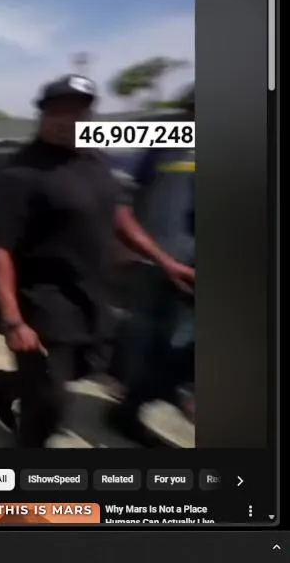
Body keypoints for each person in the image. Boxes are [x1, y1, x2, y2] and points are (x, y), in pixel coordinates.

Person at [0, 75, 194, 448]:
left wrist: (165, 261)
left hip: (91, 295)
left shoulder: (96, 160)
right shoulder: (18, 174)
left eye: (77, 111)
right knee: (50, 404)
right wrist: (13, 320)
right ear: (42, 114)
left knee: (83, 369)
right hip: (42, 301)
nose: (67, 120)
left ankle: (0, 384)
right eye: (58, 111)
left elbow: (119, 215)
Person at [108, 85, 197, 442]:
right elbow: (119, 200)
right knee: (147, 335)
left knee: (178, 342)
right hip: (155, 263)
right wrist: (137, 250)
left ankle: (150, 395)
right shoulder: (163, 133)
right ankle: (129, 402)